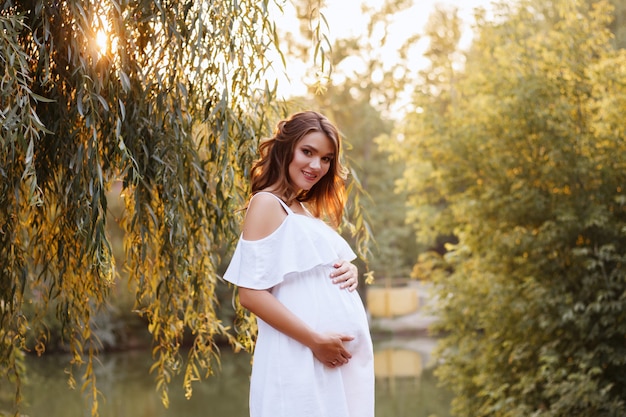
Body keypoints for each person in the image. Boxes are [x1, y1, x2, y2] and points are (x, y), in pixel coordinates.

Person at [223, 111, 374, 417]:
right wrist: (316, 341)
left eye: (327, 158)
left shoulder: (303, 211)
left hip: (332, 363)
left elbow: (314, 270)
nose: (316, 165)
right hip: (301, 356)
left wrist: (349, 269)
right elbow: (251, 294)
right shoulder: (267, 203)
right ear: (286, 149)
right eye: (308, 152)